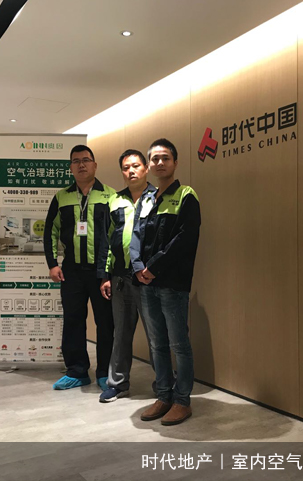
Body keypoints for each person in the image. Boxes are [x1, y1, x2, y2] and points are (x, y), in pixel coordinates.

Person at [130, 138, 201, 425]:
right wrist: (138, 268)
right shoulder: (146, 199)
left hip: (172, 283)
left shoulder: (186, 195)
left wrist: (154, 267)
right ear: (149, 166)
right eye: (155, 159)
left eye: (165, 158)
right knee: (157, 343)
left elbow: (185, 238)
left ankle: (182, 400)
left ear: (175, 163)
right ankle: (163, 395)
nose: (160, 163)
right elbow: (135, 236)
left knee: (178, 344)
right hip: (146, 283)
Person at [43, 144, 115, 390]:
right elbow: (50, 231)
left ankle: (105, 372)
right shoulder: (61, 197)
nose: (81, 164)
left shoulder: (110, 196)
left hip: (101, 272)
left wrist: (108, 272)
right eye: (76, 161)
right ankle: (77, 371)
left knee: (106, 323)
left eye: (86, 160)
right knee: (73, 320)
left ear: (95, 165)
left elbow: (116, 235)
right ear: (70, 168)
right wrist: (52, 264)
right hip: (71, 271)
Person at [97, 149, 156, 403]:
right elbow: (106, 241)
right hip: (120, 279)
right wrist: (105, 276)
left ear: (146, 168)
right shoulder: (114, 200)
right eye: (125, 167)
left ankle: (164, 384)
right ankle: (118, 384)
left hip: (150, 279)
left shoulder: (158, 197)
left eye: (135, 166)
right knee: (120, 334)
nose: (130, 171)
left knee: (156, 335)